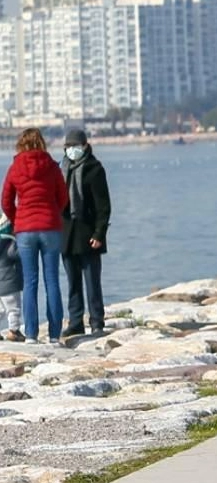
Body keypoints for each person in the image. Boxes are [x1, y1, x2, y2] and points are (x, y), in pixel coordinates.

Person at [1, 128, 68, 345]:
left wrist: (17, 219)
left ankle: (30, 334)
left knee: (30, 282)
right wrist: (52, 212)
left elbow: (6, 201)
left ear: (21, 144)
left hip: (25, 230)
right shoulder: (52, 166)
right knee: (52, 281)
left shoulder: (15, 167)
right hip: (50, 227)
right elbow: (63, 197)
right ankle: (54, 335)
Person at [59, 129, 112, 338]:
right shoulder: (61, 169)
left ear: (85, 146)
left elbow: (104, 206)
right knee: (72, 282)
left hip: (88, 233)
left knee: (92, 281)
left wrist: (99, 233)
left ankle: (97, 321)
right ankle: (75, 320)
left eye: (75, 146)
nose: (72, 150)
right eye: (68, 147)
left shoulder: (94, 169)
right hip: (66, 234)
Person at [0, 212, 24, 342]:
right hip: (10, 283)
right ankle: (14, 331)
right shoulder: (9, 244)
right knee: (13, 308)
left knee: (1, 310)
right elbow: (20, 254)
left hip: (1, 284)